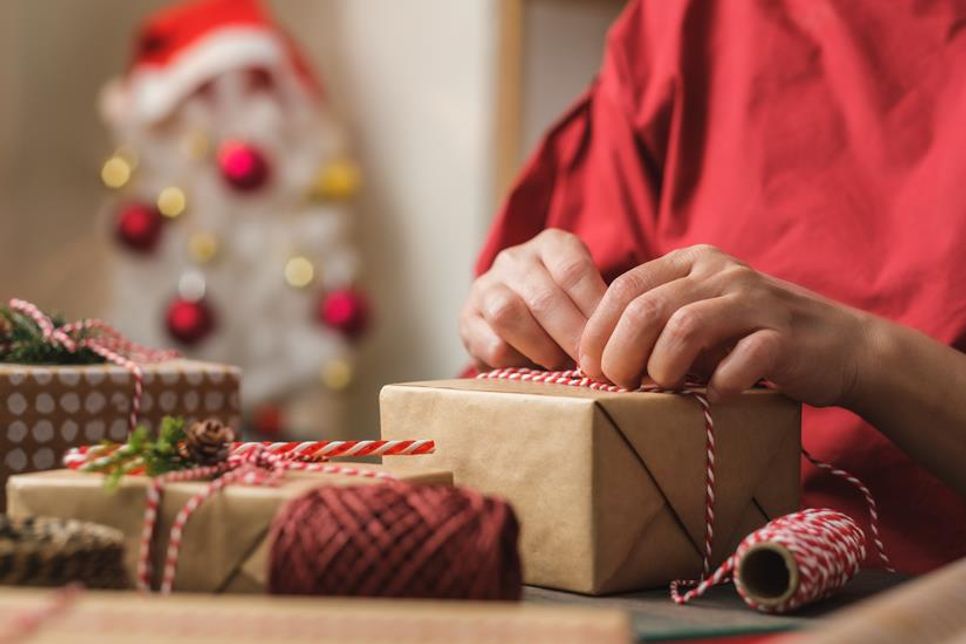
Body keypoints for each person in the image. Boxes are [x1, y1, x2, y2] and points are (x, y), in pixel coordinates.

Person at [460, 0, 966, 575]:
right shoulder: (686, 23)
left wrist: (862, 357)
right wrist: (516, 309)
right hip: (665, 575)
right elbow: (557, 349)